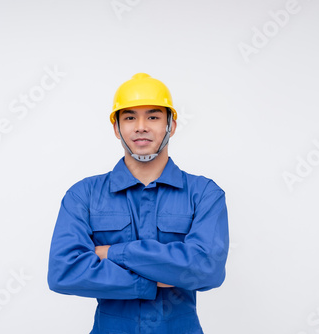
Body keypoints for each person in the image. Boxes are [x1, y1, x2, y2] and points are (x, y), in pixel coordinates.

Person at [48, 73, 229, 334]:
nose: (141, 126)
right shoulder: (83, 195)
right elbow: (64, 272)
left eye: (153, 117)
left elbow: (207, 270)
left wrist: (111, 253)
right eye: (130, 117)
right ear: (116, 128)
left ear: (171, 126)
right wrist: (154, 281)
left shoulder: (204, 194)